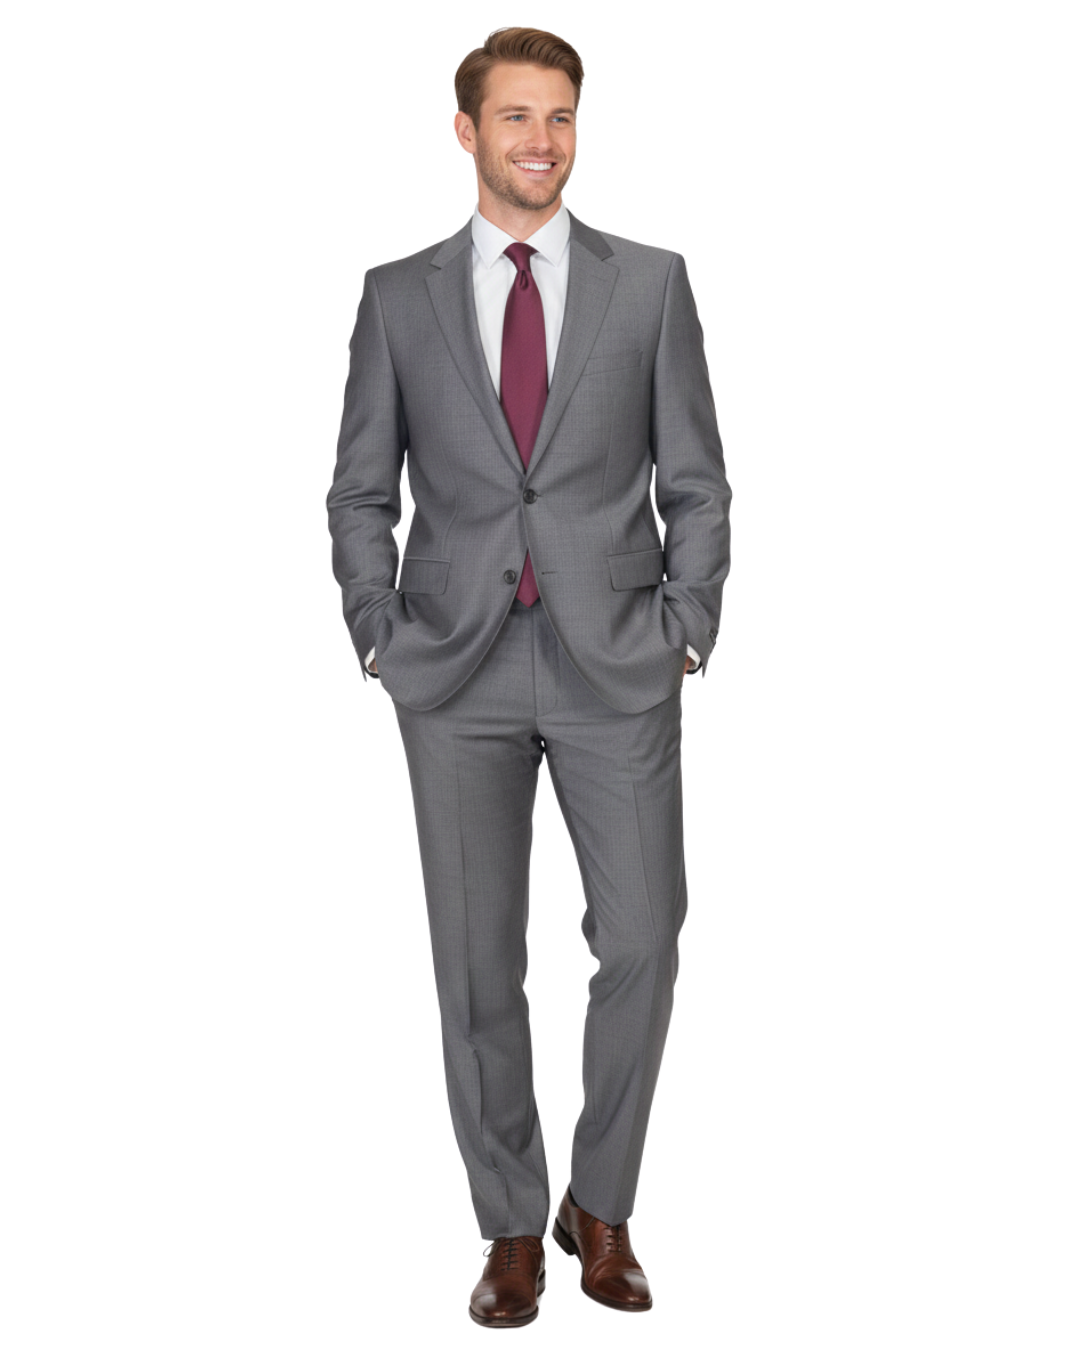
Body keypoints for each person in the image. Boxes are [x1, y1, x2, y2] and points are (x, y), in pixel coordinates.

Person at [326, 25, 731, 1328]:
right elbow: (359, 488)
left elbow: (697, 478)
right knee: (475, 966)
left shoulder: (648, 284)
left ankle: (598, 1205)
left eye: (559, 116)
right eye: (515, 117)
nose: (540, 141)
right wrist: (379, 631)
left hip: (620, 661)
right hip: (455, 672)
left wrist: (686, 624)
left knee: (644, 940)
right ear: (468, 132)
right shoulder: (398, 296)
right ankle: (510, 1223)